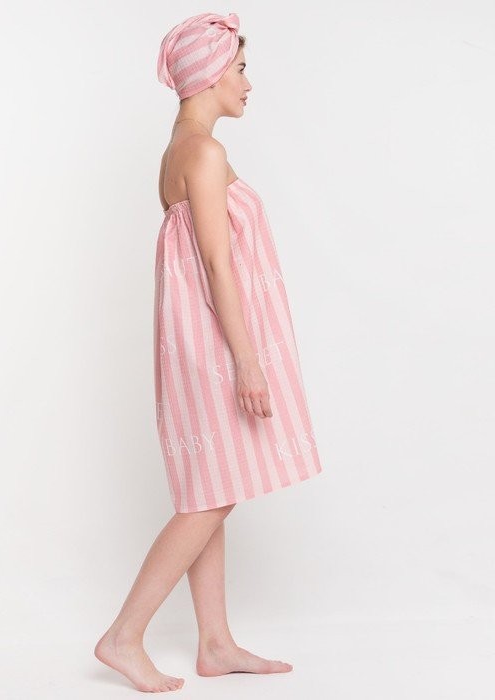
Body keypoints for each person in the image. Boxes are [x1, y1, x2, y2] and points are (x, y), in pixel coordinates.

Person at [94, 12, 323, 693]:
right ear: (211, 73)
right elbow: (218, 264)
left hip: (193, 339)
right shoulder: (205, 153)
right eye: (241, 69)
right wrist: (248, 360)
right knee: (210, 499)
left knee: (212, 489)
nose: (248, 83)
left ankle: (215, 643)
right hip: (215, 345)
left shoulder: (179, 149)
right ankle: (123, 636)